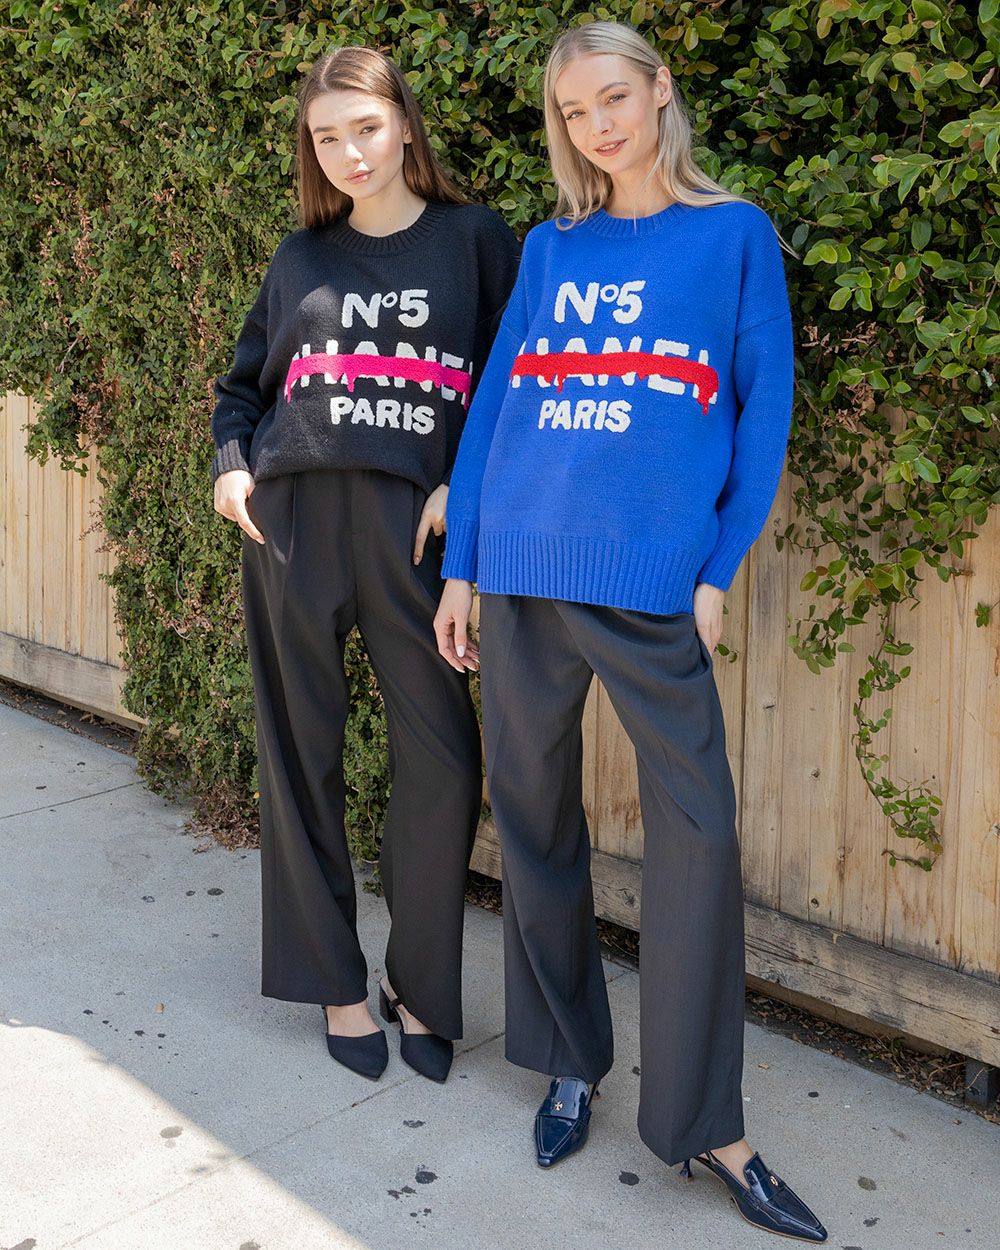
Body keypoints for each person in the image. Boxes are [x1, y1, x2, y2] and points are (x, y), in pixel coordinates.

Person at [434, 20, 827, 1242]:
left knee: (697, 835)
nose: (596, 125)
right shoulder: (552, 249)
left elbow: (762, 412)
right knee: (534, 821)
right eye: (573, 110)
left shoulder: (733, 233)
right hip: (523, 572)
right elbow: (496, 411)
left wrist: (715, 569)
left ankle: (707, 1121)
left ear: (658, 91)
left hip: (650, 587)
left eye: (612, 97)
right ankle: (567, 1059)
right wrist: (464, 566)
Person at [211, 46, 520, 1084]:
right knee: (299, 753)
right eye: (327, 136)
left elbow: (514, 388)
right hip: (291, 520)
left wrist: (463, 489)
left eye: (366, 128)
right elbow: (242, 388)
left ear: (404, 126)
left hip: (412, 528)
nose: (349, 152)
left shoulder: (475, 241)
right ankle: (337, 985)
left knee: (444, 760)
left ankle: (419, 983)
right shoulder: (300, 256)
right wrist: (230, 469)